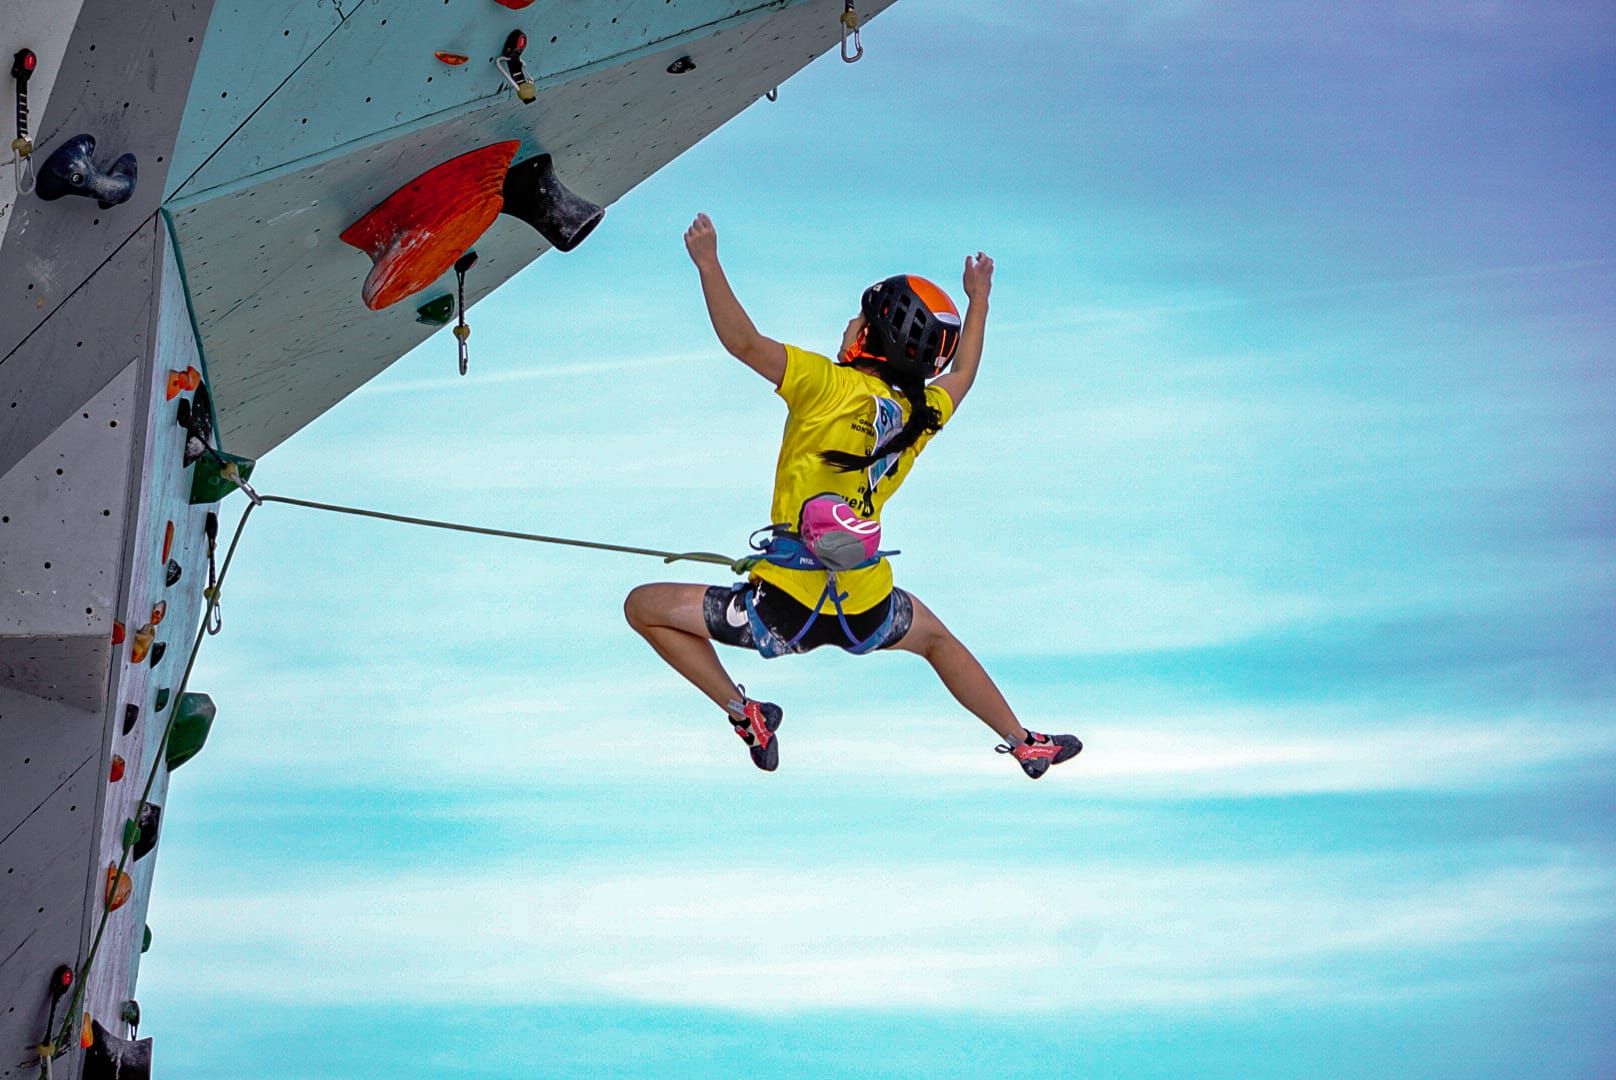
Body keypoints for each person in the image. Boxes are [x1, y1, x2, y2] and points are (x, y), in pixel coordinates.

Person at [623, 213, 1082, 779]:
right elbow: (963, 372)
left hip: (785, 606)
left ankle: (747, 714)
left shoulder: (824, 385)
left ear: (871, 336)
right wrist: (979, 301)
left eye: (857, 317)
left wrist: (707, 263)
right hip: (866, 608)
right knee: (936, 640)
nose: (847, 322)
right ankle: (1022, 742)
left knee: (642, 607)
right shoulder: (920, 414)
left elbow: (742, 342)